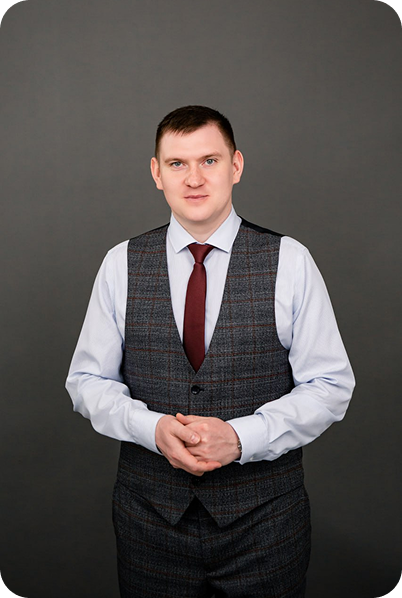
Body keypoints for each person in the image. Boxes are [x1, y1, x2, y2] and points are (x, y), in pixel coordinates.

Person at [66, 105, 355, 598]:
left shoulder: (290, 261)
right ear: (157, 172)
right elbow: (87, 381)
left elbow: (330, 386)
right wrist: (151, 428)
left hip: (266, 526)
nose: (194, 178)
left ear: (235, 165)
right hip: (149, 525)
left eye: (210, 160)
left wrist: (241, 438)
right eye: (177, 163)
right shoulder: (121, 263)